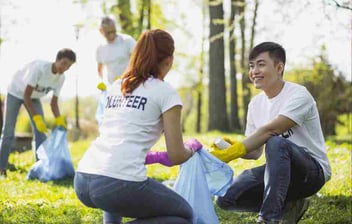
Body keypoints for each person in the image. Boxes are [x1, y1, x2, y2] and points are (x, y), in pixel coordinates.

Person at [74, 29, 202, 224]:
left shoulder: (118, 86)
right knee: (184, 216)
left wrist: (155, 156)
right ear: (169, 60)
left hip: (83, 178)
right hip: (117, 184)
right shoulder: (166, 92)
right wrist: (191, 148)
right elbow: (177, 155)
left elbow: (121, 137)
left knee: (114, 190)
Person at [210, 42, 331, 224]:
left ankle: (269, 218)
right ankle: (288, 205)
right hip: (280, 173)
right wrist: (231, 146)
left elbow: (272, 130)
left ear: (279, 67)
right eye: (251, 66)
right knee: (226, 198)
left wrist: (234, 153)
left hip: (311, 172)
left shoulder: (299, 95)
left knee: (275, 142)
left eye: (261, 64)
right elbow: (255, 152)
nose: (254, 71)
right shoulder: (255, 104)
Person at [0, 48, 76, 178]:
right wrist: (36, 117)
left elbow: (53, 103)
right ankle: (2, 168)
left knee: (41, 132)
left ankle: (39, 168)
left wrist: (59, 119)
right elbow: (26, 95)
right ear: (57, 60)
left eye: (69, 65)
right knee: (8, 132)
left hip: (34, 97)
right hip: (16, 92)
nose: (65, 68)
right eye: (64, 63)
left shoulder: (61, 78)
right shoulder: (40, 68)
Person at [96, 16, 136, 91]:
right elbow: (99, 69)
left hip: (130, 86)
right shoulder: (100, 48)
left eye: (113, 31)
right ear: (101, 31)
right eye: (108, 33)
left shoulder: (128, 41)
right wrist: (102, 82)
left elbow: (137, 61)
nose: (112, 35)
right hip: (112, 89)